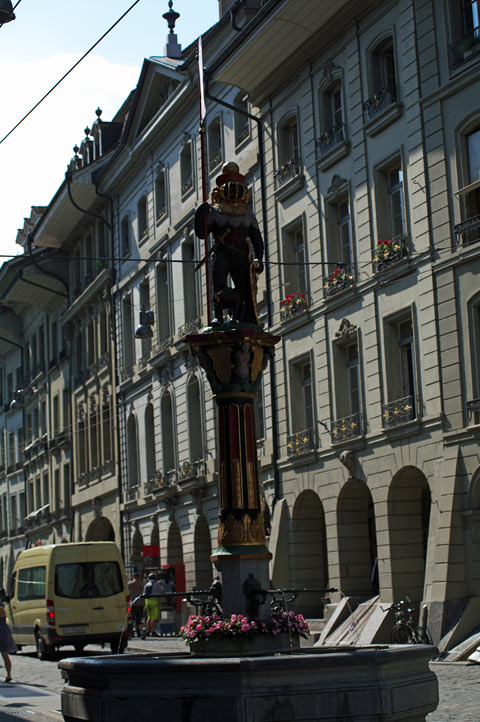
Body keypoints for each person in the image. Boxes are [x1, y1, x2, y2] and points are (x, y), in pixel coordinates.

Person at [194, 161, 264, 326]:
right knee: (218, 285)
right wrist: (200, 214)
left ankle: (244, 315)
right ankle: (218, 315)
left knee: (244, 287)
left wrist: (258, 258)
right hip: (222, 253)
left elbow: (257, 240)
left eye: (236, 187)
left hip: (241, 255)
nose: (234, 190)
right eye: (230, 187)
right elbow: (202, 233)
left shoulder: (248, 216)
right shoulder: (215, 213)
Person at [141, 573, 164, 638]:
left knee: (149, 617)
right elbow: (161, 591)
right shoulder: (157, 584)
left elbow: (144, 593)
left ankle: (148, 631)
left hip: (147, 601)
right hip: (155, 601)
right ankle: (153, 631)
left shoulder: (146, 585)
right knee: (154, 618)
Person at [0, 603, 16, 682]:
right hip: (4, 630)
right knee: (5, 654)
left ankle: (8, 675)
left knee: (4, 654)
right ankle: (9, 674)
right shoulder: (2, 609)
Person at [128, 572, 145, 638]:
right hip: (140, 604)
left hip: (132, 604)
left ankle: (131, 632)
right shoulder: (142, 585)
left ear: (133, 577)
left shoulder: (130, 584)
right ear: (139, 577)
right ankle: (139, 633)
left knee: (131, 619)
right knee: (139, 620)